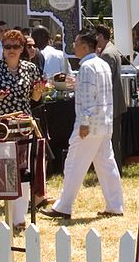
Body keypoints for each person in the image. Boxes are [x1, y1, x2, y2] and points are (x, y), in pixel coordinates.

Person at [49, 29, 124, 220]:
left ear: (84, 46)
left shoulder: (87, 67)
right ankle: (115, 205)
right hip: (104, 123)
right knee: (107, 165)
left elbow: (89, 98)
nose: (73, 46)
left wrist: (84, 123)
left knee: (74, 163)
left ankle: (64, 206)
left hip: (90, 125)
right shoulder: (101, 64)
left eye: (75, 43)